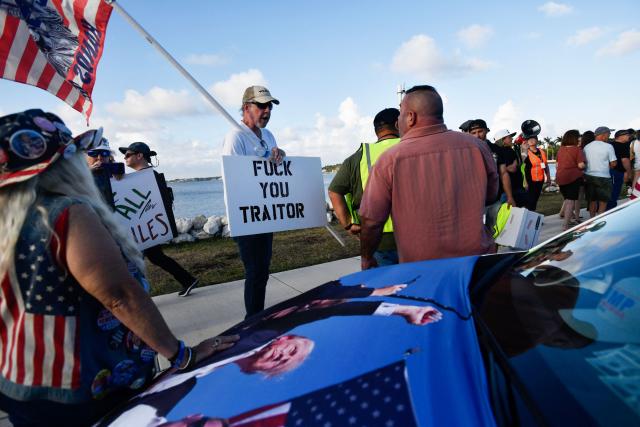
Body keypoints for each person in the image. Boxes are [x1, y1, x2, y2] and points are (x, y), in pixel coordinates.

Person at [0, 109, 237, 426]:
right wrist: (182, 356)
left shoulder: (10, 221)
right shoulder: (64, 212)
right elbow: (118, 296)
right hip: (87, 385)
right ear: (63, 165)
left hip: (20, 379)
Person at [358, 85, 498, 268]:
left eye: (400, 114)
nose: (398, 121)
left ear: (410, 117)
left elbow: (371, 221)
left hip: (423, 270)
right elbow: (491, 195)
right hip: (477, 262)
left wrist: (367, 257)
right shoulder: (477, 147)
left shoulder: (389, 160)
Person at [221, 85, 285, 318]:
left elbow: (273, 167)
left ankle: (257, 316)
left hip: (265, 213)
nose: (267, 111)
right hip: (246, 216)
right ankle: (253, 320)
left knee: (263, 271)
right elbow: (235, 178)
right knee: (255, 271)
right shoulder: (235, 137)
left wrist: (281, 156)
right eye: (262, 106)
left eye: (270, 106)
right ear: (247, 107)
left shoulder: (268, 136)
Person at [119, 142, 199, 297]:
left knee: (141, 259)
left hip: (147, 227)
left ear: (139, 155)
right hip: (146, 227)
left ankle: (137, 295)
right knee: (156, 257)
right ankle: (187, 280)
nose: (125, 158)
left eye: (128, 154)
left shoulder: (147, 177)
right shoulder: (141, 177)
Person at [328, 108, 401, 266]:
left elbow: (334, 191)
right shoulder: (416, 148)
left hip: (377, 239)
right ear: (398, 124)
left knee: (384, 288)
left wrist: (348, 223)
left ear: (376, 131)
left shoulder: (359, 157)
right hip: (417, 236)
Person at [468, 119, 503, 228]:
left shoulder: (496, 149)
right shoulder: (466, 151)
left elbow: (504, 173)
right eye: (473, 133)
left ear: (487, 131)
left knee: (495, 231)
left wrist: (509, 196)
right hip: (475, 201)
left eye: (480, 131)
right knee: (477, 232)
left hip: (495, 199)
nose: (477, 135)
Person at [583, 126, 617, 217]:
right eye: (609, 134)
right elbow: (613, 164)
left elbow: (584, 162)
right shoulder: (608, 146)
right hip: (604, 177)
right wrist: (606, 166)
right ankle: (599, 220)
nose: (609, 136)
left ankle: (592, 220)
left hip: (589, 176)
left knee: (592, 201)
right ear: (603, 135)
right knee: (603, 202)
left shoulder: (587, 146)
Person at [556, 130, 586, 230]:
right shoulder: (578, 150)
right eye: (578, 137)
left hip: (560, 178)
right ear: (574, 138)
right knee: (570, 201)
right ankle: (565, 225)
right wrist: (586, 165)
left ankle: (568, 220)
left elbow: (557, 165)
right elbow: (580, 165)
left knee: (567, 199)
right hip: (573, 178)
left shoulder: (561, 149)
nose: (579, 139)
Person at [493, 129, 527, 207]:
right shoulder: (509, 151)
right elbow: (513, 168)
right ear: (503, 140)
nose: (511, 139)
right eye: (509, 137)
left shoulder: (497, 152)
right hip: (514, 190)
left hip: (503, 191)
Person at [606, 129, 633, 210]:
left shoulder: (610, 145)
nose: (629, 136)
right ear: (620, 136)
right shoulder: (623, 146)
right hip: (617, 172)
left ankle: (606, 209)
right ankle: (610, 211)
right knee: (614, 192)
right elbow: (625, 160)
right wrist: (628, 172)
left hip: (608, 171)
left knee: (609, 192)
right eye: (627, 135)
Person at [523, 134, 551, 211]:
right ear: (527, 142)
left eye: (533, 138)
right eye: (529, 139)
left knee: (535, 200)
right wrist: (525, 182)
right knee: (529, 201)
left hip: (540, 180)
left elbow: (545, 165)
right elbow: (523, 168)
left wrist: (548, 177)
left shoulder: (542, 152)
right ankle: (528, 218)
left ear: (537, 140)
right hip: (530, 180)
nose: (531, 140)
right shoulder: (526, 153)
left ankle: (532, 217)